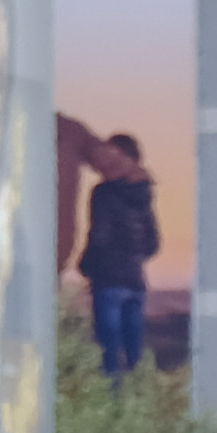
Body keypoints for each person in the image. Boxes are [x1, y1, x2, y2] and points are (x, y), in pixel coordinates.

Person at [77, 137, 163, 381]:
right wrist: (132, 256)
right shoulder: (143, 195)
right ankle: (135, 400)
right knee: (134, 353)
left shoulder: (104, 192)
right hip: (135, 281)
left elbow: (99, 236)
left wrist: (87, 266)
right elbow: (153, 244)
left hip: (109, 279)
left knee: (108, 352)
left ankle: (112, 405)